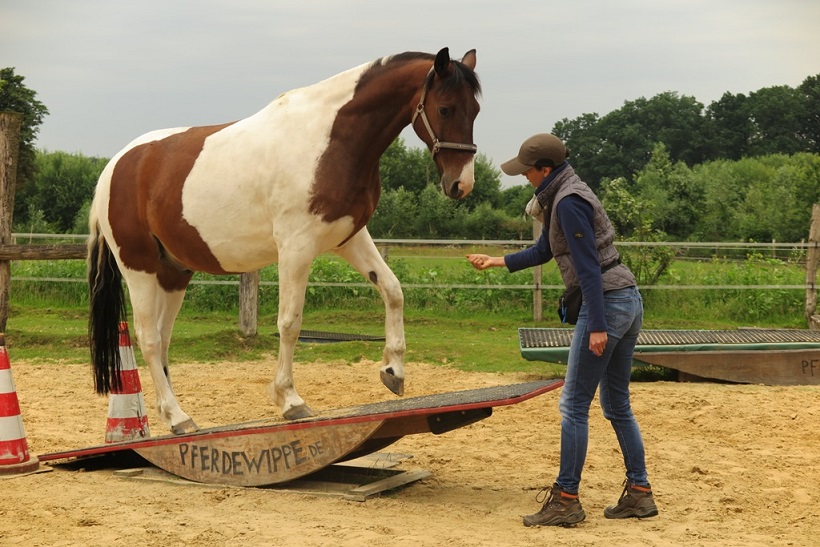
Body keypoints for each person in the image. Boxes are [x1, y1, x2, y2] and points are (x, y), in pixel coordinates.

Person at [466, 133, 658, 527]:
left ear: (545, 170)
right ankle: (639, 493)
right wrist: (496, 261)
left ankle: (566, 499)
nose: (523, 177)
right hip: (627, 297)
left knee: (573, 406)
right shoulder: (565, 194)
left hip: (604, 302)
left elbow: (587, 266)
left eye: (527, 170)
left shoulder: (568, 202)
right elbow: (544, 251)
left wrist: (598, 326)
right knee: (616, 404)